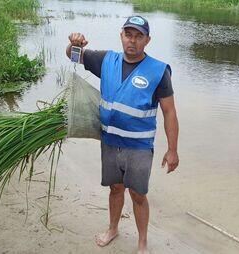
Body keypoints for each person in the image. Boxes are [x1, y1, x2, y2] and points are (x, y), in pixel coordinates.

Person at [66, 15, 179, 254]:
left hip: (138, 147)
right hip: (109, 142)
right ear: (121, 36)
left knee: (138, 194)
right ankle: (113, 229)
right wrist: (74, 43)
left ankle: (142, 242)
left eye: (139, 36)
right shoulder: (106, 60)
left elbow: (169, 112)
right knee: (115, 188)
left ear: (147, 40)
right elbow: (73, 56)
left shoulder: (158, 71)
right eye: (129, 35)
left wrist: (172, 149)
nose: (133, 41)